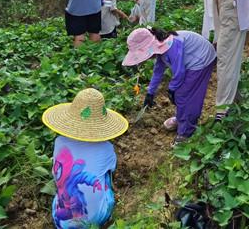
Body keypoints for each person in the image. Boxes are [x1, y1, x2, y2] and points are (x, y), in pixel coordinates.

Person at [42, 88, 129, 228]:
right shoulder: (106, 148)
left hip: (61, 222)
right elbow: (111, 169)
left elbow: (56, 174)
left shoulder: (59, 142)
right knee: (106, 175)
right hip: (96, 220)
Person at [124, 27, 216, 143]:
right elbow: (158, 71)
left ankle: (186, 132)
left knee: (186, 96)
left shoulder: (172, 46)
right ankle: (181, 119)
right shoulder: (162, 46)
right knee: (180, 95)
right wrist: (150, 93)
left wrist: (172, 89)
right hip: (191, 60)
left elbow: (179, 72)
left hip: (201, 60)